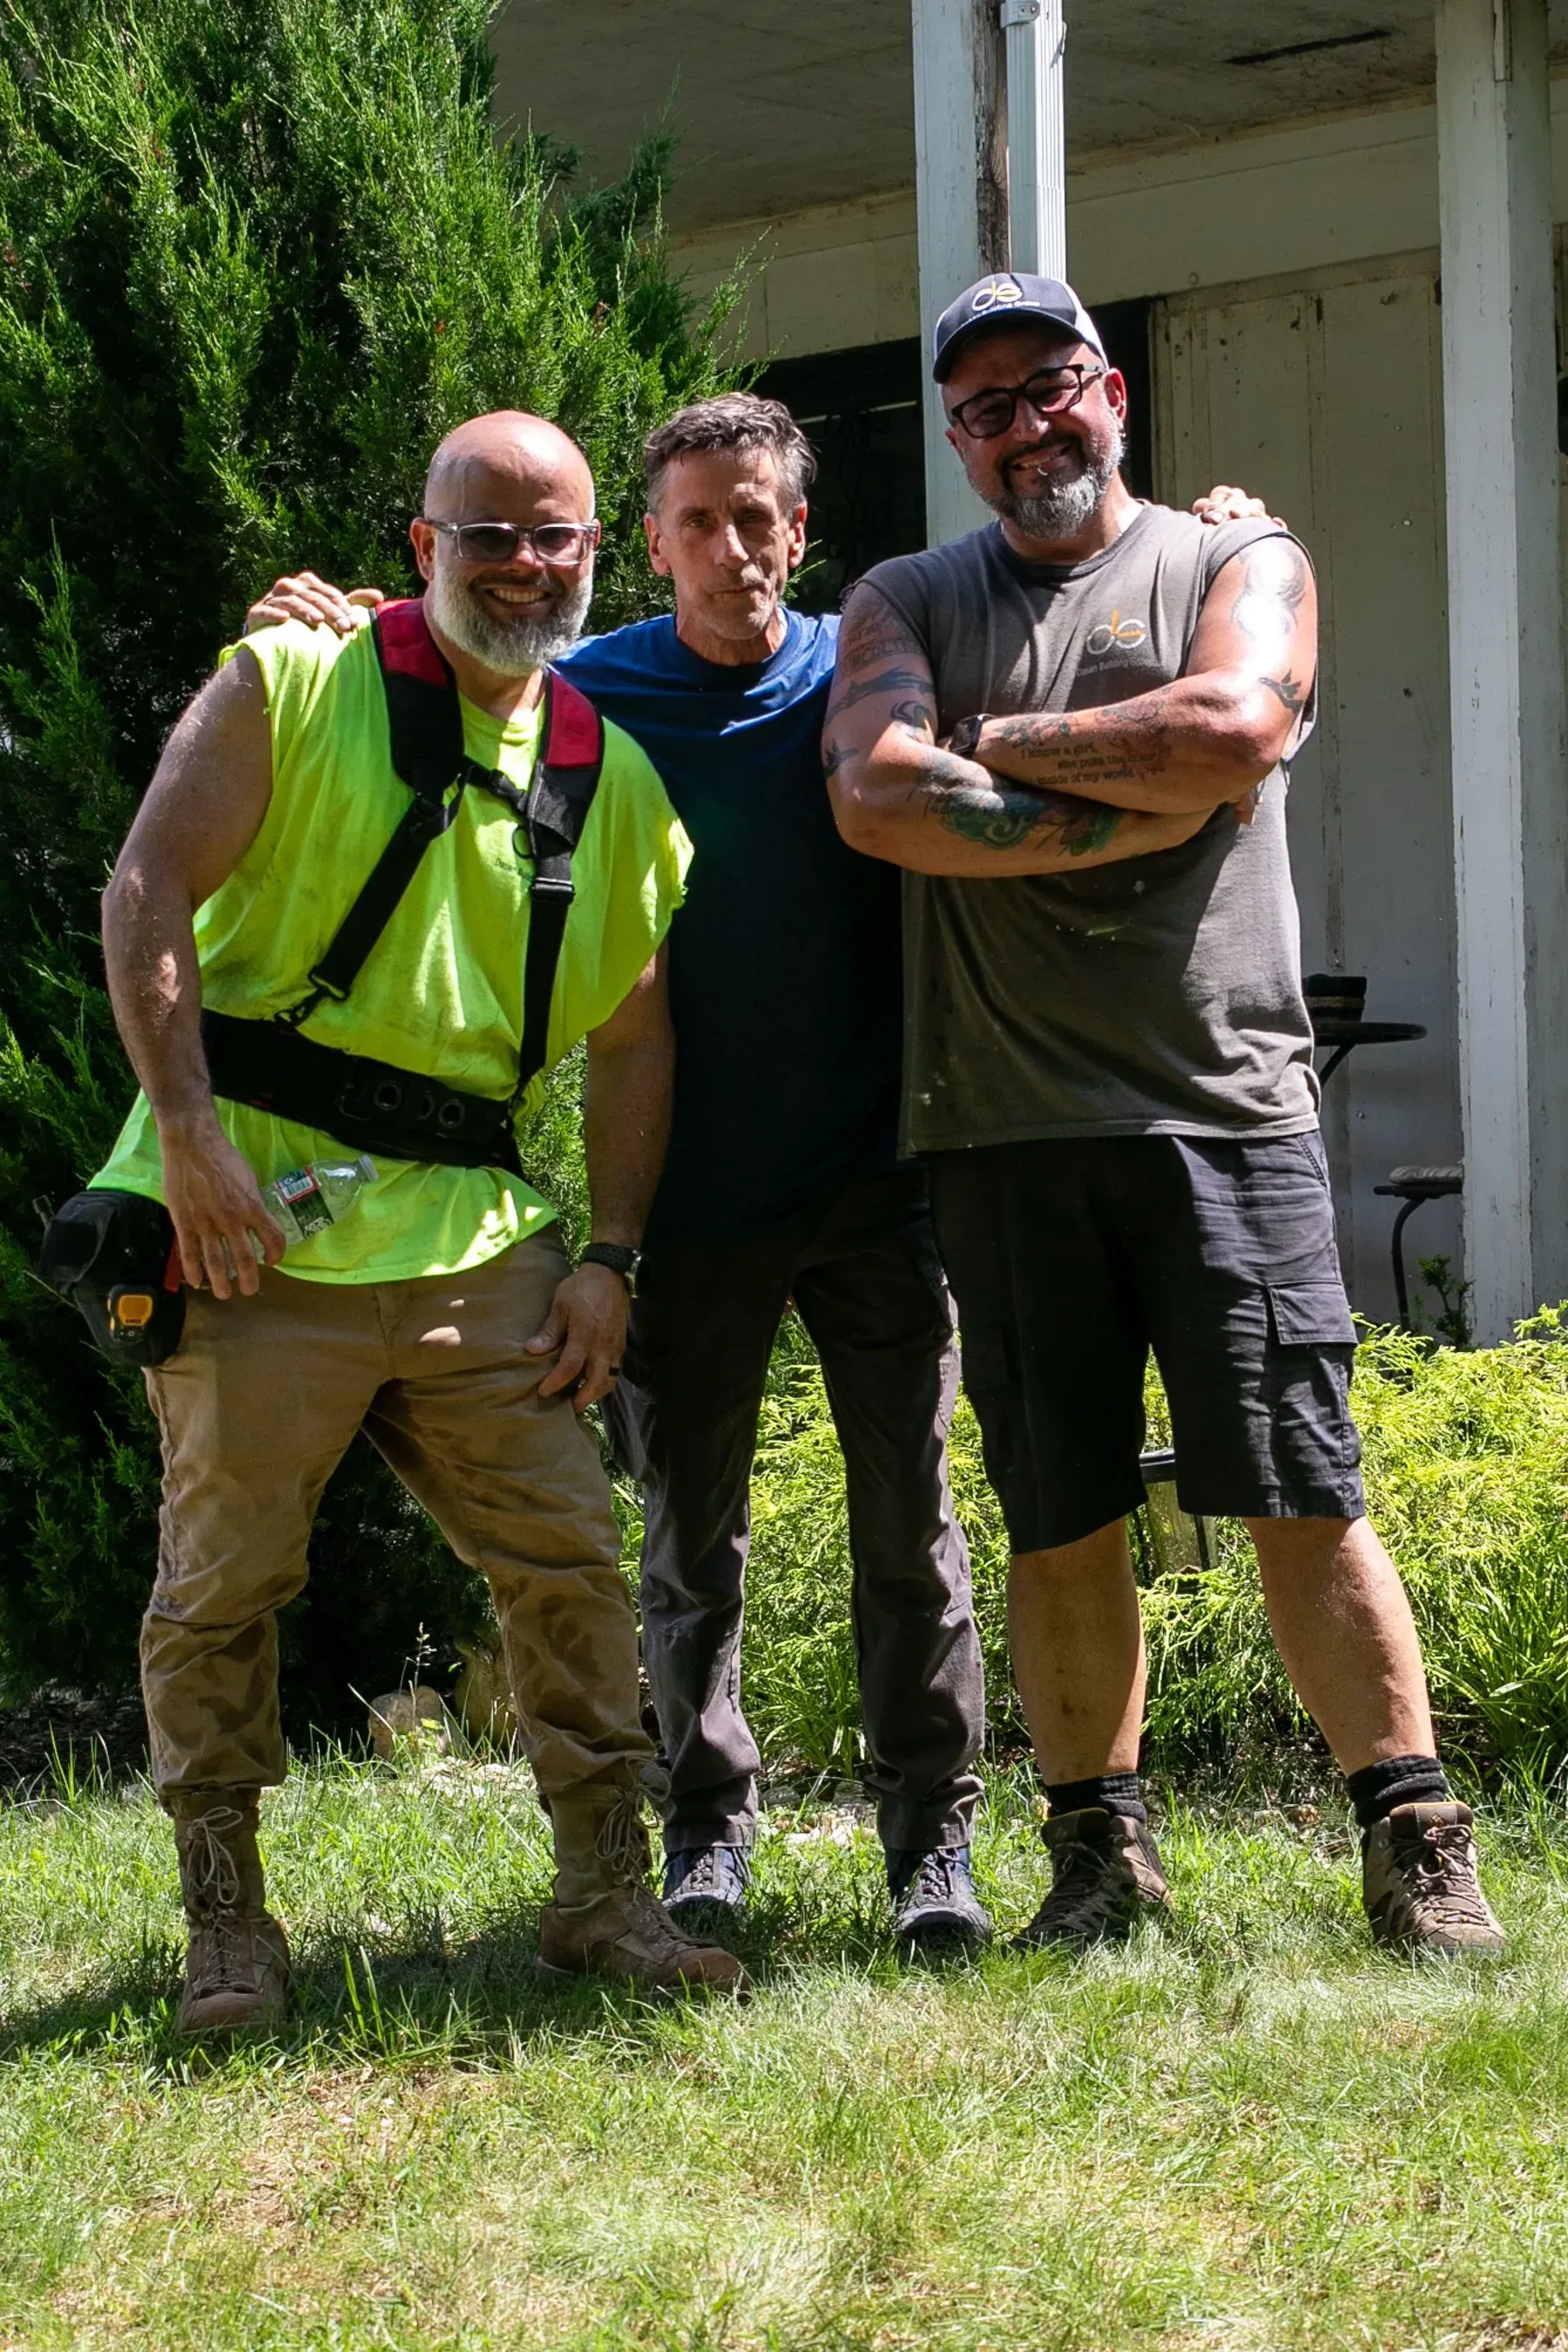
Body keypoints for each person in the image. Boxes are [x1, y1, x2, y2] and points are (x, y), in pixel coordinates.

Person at [252, 397, 1271, 1954]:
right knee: (691, 1537)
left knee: (913, 1529)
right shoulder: (586, 697)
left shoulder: (870, 680)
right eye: (697, 522)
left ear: (800, 533)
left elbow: (1083, 653)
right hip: (690, 1197)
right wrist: (317, 622)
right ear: (646, 546)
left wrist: (1205, 544)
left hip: (888, 1178)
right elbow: (431, 671)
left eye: (759, 519)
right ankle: (706, 1837)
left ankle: (934, 1847)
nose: (732, 547)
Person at [823, 273, 1502, 1957]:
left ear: (1109, 390)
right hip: (999, 1124)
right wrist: (1120, 803)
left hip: (1224, 1117)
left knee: (1299, 1486)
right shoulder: (904, 593)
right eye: (980, 409)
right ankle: (1097, 1859)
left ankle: (1418, 1842)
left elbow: (1234, 723)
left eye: (1047, 385)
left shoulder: (1233, 562)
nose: (1020, 425)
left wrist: (998, 742)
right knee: (1059, 1511)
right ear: (959, 440)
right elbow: (872, 789)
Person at [93, 409, 744, 2031]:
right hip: (256, 1223)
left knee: (573, 1561)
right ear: (423, 547)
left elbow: (634, 1038)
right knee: (224, 1579)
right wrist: (185, 1137)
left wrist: (608, 1259)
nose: (525, 566)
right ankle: (226, 1919)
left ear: (600, 551)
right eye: (490, 536)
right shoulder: (293, 685)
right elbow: (146, 888)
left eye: (557, 539)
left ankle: (603, 1891)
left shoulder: (611, 779)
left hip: (473, 1236)